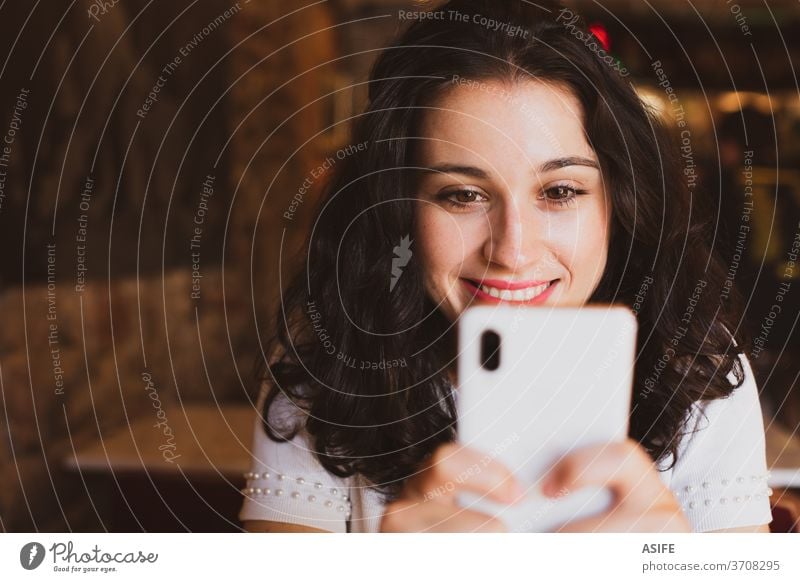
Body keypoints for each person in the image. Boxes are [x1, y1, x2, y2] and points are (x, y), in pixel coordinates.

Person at [240, 0, 772, 533]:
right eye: (463, 195)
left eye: (560, 191)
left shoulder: (699, 378)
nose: (513, 251)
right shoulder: (323, 380)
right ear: (399, 207)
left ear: (620, 202)